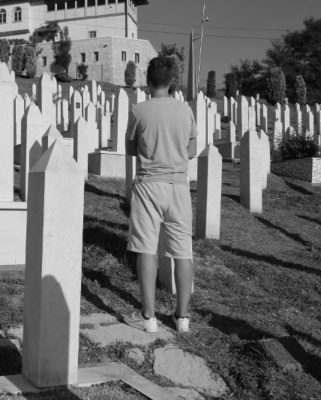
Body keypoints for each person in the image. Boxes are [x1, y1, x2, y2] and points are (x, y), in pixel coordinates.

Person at [123, 56, 197, 333]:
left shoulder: (138, 110)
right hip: (178, 186)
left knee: (146, 249)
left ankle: (149, 317)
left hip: (148, 184)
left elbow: (131, 150)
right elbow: (190, 151)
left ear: (147, 79)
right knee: (182, 251)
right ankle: (183, 318)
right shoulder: (185, 110)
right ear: (172, 81)